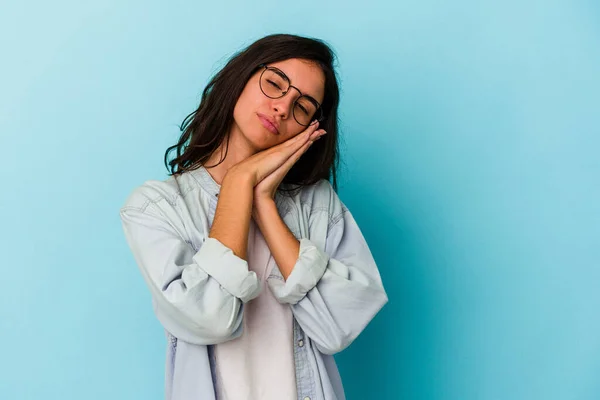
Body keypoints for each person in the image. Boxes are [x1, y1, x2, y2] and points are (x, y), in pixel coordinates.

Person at [119, 33, 388, 400]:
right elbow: (210, 319)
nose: (281, 107)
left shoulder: (318, 205)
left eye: (303, 107)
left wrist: (263, 201)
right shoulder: (156, 207)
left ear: (312, 129)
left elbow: (339, 326)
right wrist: (238, 182)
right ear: (240, 77)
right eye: (275, 84)